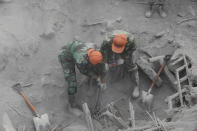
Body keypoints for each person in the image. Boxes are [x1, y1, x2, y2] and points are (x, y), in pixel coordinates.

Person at [58, 40, 106, 108]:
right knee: (72, 81)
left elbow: (103, 65)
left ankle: (93, 78)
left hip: (77, 48)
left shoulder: (97, 51)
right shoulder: (80, 59)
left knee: (95, 67)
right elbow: (84, 71)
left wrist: (103, 80)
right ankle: (72, 103)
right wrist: (97, 78)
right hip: (65, 55)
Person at [100, 30, 140, 98]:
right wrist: (105, 63)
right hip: (111, 48)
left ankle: (136, 86)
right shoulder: (107, 40)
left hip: (127, 50)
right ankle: (114, 72)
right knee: (110, 61)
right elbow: (102, 51)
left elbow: (132, 52)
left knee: (132, 66)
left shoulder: (131, 41)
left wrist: (124, 59)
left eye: (119, 49)